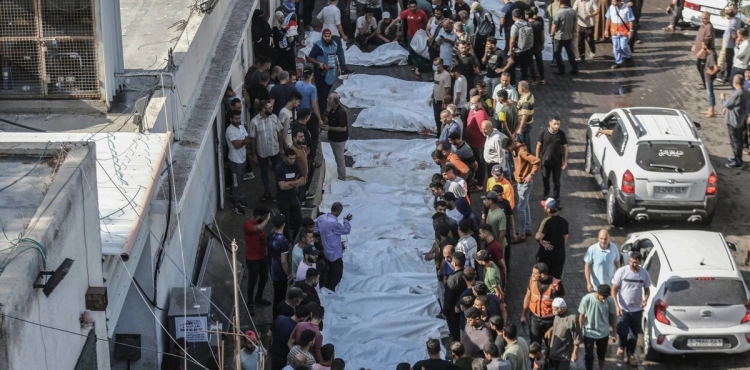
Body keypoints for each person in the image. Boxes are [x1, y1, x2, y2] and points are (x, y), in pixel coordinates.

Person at [611, 252, 650, 367]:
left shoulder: (644, 274)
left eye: (635, 263)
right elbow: (613, 290)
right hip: (623, 309)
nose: (633, 264)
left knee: (633, 334)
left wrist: (645, 299)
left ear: (640, 262)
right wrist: (617, 306)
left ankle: (631, 355)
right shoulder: (622, 272)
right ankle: (621, 348)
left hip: (637, 310)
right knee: (622, 331)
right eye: (631, 262)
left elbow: (647, 290)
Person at [521, 263, 566, 349]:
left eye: (535, 273)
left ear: (542, 274)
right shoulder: (532, 281)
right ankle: (534, 361)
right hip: (534, 318)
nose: (532, 275)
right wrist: (523, 315)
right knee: (534, 344)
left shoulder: (556, 286)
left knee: (550, 345)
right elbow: (527, 297)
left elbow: (562, 305)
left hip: (550, 321)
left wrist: (556, 324)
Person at [249, 100, 283, 202]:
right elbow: (253, 138)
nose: (271, 109)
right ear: (263, 109)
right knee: (264, 172)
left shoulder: (274, 118)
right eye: (269, 108)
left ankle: (279, 192)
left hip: (274, 149)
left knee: (278, 171)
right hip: (262, 151)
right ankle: (267, 191)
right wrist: (254, 154)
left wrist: (281, 148)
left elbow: (279, 133)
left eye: (271, 107)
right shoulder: (254, 121)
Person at [315, 202, 352, 291]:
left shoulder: (322, 218)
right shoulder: (334, 223)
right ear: (338, 211)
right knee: (337, 273)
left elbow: (315, 227)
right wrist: (346, 221)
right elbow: (346, 230)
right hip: (334, 253)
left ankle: (326, 285)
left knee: (329, 270)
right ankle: (330, 289)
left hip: (326, 250)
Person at [578, 284, 617, 370]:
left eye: (606, 297)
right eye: (603, 297)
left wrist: (614, 332)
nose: (604, 300)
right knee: (589, 356)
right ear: (597, 293)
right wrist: (580, 330)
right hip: (589, 332)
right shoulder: (586, 299)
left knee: (602, 355)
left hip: (604, 333)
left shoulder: (610, 300)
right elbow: (581, 316)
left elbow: (612, 316)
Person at [245, 207, 272, 315]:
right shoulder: (248, 225)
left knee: (264, 277)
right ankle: (250, 303)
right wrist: (268, 218)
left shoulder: (259, 222)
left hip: (263, 256)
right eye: (264, 217)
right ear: (259, 216)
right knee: (252, 281)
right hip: (253, 259)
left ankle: (258, 297)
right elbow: (259, 227)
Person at [535, 117, 568, 203]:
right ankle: (546, 193)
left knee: (556, 181)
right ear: (550, 123)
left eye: (558, 124)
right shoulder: (543, 132)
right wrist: (537, 159)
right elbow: (538, 146)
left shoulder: (561, 134)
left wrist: (565, 161)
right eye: (555, 124)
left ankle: (556, 198)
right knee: (545, 178)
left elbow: (565, 147)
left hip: (557, 162)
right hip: (546, 161)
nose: (557, 126)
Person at [535, 198, 569, 279]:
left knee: (543, 277)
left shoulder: (546, 221)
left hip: (546, 255)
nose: (544, 207)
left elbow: (538, 237)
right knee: (556, 279)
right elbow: (565, 237)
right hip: (560, 255)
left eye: (545, 206)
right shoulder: (564, 221)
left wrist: (542, 242)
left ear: (548, 209)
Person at [308, 30, 340, 113]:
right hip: (321, 73)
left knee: (327, 92)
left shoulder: (334, 44)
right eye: (325, 36)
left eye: (329, 36)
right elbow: (310, 58)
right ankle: (323, 111)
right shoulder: (318, 46)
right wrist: (318, 63)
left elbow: (335, 56)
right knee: (322, 94)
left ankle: (324, 109)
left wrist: (338, 67)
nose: (327, 38)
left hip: (332, 72)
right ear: (322, 36)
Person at [276, 148, 305, 241]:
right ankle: (287, 240)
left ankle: (295, 238)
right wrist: (295, 183)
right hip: (283, 199)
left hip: (293, 196)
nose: (292, 160)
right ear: (285, 157)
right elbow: (282, 186)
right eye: (290, 158)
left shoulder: (295, 166)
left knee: (299, 219)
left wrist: (290, 183)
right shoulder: (279, 168)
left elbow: (302, 180)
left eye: (293, 158)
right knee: (286, 222)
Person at [544, 298, 581, 370]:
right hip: (553, 352)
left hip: (564, 354)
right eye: (553, 309)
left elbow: (577, 338)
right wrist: (550, 330)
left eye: (555, 310)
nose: (553, 312)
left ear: (563, 309)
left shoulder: (572, 319)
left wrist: (575, 353)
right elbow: (558, 325)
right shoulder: (558, 315)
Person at [319, 93, 349, 179]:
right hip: (330, 135)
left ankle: (342, 177)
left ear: (333, 102)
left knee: (339, 160)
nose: (327, 100)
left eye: (329, 99)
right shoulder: (332, 109)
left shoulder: (341, 112)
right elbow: (328, 118)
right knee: (316, 137)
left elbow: (343, 128)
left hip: (338, 140)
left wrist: (329, 128)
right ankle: (319, 156)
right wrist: (322, 125)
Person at [317, 0, 352, 74]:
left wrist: (324, 23)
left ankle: (324, 67)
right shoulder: (336, 10)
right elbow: (338, 24)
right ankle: (343, 69)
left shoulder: (325, 8)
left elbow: (318, 17)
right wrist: (343, 35)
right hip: (334, 33)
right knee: (339, 51)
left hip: (325, 31)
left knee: (325, 51)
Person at [721, 74, 748, 168]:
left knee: (735, 141)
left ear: (735, 82)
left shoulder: (738, 93)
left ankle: (738, 161)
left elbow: (727, 104)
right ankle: (737, 157)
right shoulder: (745, 91)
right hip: (740, 119)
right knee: (738, 140)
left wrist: (722, 98)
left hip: (733, 120)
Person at [226, 110, 250, 214]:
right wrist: (244, 141)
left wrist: (243, 142)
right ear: (231, 119)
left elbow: (248, 138)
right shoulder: (230, 130)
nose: (238, 120)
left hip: (242, 158)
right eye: (235, 118)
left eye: (239, 118)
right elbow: (237, 145)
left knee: (240, 181)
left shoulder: (241, 127)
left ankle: (238, 199)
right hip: (235, 160)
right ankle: (235, 204)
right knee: (236, 183)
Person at [271, 305, 309, 370]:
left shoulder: (280, 318)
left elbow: (269, 334)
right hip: (283, 356)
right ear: (302, 318)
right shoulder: (295, 329)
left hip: (274, 352)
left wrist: (269, 348)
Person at [268, 214, 292, 319]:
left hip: (272, 269)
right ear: (284, 224)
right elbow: (283, 261)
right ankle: (277, 318)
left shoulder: (270, 235)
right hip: (280, 274)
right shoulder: (283, 241)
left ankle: (276, 318)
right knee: (280, 298)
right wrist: (288, 274)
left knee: (276, 296)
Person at [445, 251, 469, 340]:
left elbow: (448, 298)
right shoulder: (466, 274)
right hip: (465, 307)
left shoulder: (452, 279)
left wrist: (445, 311)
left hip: (454, 312)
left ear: (454, 263)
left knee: (455, 333)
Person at [604, 0, 634, 69]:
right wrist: (606, 30)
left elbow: (631, 20)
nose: (612, 3)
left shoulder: (627, 8)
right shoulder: (611, 7)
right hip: (614, 30)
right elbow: (608, 19)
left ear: (619, 1)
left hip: (624, 31)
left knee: (623, 46)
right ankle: (618, 62)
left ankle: (628, 56)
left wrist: (631, 30)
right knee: (616, 48)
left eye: (614, 1)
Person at [550, 0, 578, 75]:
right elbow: (575, 23)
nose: (555, 2)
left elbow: (554, 26)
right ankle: (574, 67)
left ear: (559, 2)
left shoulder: (558, 13)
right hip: (569, 36)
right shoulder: (572, 11)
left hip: (559, 37)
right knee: (570, 52)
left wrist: (552, 35)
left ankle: (561, 69)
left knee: (557, 53)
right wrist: (573, 33)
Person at [509, 9, 534, 82]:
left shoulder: (515, 26)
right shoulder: (528, 23)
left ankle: (513, 83)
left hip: (518, 51)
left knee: (511, 67)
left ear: (513, 16)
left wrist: (510, 51)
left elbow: (512, 40)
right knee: (524, 68)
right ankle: (523, 83)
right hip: (527, 49)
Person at [692, 12, 714, 89]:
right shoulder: (703, 26)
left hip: (704, 52)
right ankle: (703, 80)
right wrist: (695, 45)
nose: (703, 20)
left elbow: (707, 41)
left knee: (702, 68)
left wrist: (702, 50)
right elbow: (699, 37)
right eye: (702, 18)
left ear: (708, 18)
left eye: (704, 18)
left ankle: (706, 83)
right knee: (698, 66)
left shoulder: (709, 27)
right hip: (699, 51)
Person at [432, 58, 453, 126]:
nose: (434, 67)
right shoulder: (435, 73)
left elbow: (447, 89)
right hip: (435, 100)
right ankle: (438, 133)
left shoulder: (446, 75)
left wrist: (444, 101)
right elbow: (435, 85)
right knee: (437, 118)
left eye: (436, 65)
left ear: (441, 65)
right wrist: (432, 95)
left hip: (441, 101)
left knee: (442, 120)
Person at [515, 81, 535, 150]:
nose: (518, 89)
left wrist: (520, 128)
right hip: (528, 123)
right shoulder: (529, 95)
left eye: (518, 87)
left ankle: (527, 156)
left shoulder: (526, 101)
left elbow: (524, 116)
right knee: (526, 139)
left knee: (524, 142)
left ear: (522, 89)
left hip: (525, 125)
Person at [703, 41, 720, 118]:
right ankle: (710, 109)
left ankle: (711, 111)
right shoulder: (710, 53)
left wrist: (712, 72)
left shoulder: (712, 54)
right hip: (707, 77)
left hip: (709, 77)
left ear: (706, 46)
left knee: (710, 94)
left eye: (703, 44)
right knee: (709, 93)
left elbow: (716, 67)